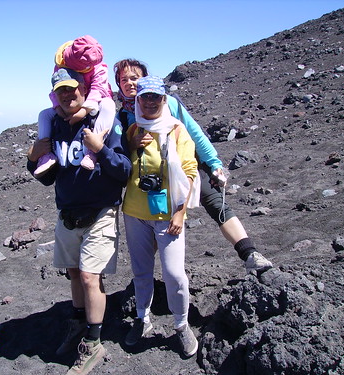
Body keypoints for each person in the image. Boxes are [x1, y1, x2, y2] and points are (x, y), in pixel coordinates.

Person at [114, 58, 273, 275]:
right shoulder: (122, 116)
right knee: (152, 225)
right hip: (152, 179)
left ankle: (250, 254)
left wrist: (214, 163)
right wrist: (130, 144)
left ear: (145, 79)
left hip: (186, 166)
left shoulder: (167, 102)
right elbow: (120, 151)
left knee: (216, 203)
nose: (130, 83)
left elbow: (194, 132)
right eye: (124, 79)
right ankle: (144, 280)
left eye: (135, 77)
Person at [27, 68, 131, 375]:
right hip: (68, 214)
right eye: (61, 91)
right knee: (74, 274)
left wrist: (100, 150)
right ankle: (77, 323)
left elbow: (124, 171)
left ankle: (94, 342)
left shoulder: (102, 122)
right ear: (55, 95)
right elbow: (47, 179)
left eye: (72, 89)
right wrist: (33, 157)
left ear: (84, 89)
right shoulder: (55, 126)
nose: (68, 95)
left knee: (89, 278)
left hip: (100, 212)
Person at [122, 76, 200, 357]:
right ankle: (142, 318)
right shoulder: (132, 130)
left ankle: (181, 326)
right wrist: (132, 144)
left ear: (164, 100)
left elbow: (190, 172)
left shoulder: (177, 130)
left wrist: (180, 213)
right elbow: (122, 165)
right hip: (134, 213)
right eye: (145, 97)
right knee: (141, 272)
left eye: (156, 97)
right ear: (138, 101)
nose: (151, 102)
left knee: (174, 273)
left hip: (169, 216)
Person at [34, 35, 116, 177]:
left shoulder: (98, 68)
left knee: (108, 105)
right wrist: (57, 108)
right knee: (44, 114)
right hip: (72, 105)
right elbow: (55, 89)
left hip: (95, 101)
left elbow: (98, 89)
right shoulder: (61, 64)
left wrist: (83, 111)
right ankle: (45, 155)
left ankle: (92, 151)